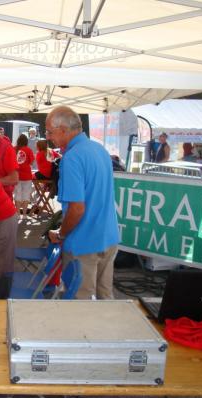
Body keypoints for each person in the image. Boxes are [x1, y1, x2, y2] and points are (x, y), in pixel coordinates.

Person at [46, 106, 119, 300]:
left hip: (84, 243)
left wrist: (61, 234)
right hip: (108, 237)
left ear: (63, 129)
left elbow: (77, 209)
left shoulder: (72, 158)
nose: (48, 137)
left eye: (50, 132)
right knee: (106, 299)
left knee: (79, 306)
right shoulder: (100, 149)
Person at [14, 134, 34, 220]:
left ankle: (18, 213)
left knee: (17, 194)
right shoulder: (28, 150)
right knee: (26, 195)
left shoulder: (14, 149)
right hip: (27, 176)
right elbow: (32, 162)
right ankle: (25, 214)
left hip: (16, 175)